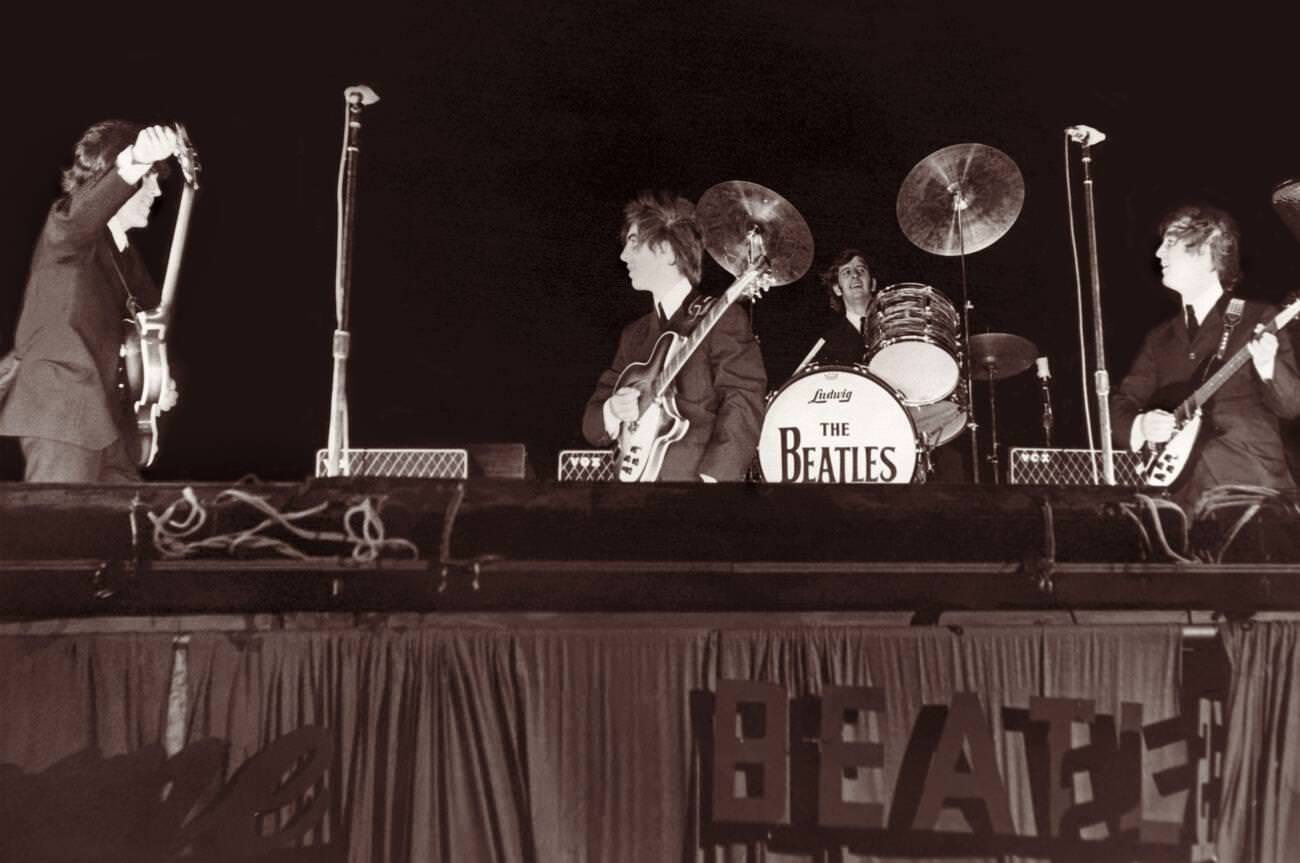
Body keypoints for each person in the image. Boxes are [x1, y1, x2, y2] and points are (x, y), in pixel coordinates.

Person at [0, 121, 180, 481]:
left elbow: (149, 329)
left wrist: (158, 381)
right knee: (56, 533)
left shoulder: (125, 255)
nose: (156, 191)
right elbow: (83, 213)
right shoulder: (67, 235)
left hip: (108, 427)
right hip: (62, 418)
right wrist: (137, 158)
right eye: (148, 179)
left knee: (131, 528)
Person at [1111, 203, 1300, 507]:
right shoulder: (1159, 338)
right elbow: (1123, 402)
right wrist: (1142, 425)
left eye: (1170, 242)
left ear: (1209, 250)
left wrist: (1268, 366)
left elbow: (1291, 405)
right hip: (1177, 501)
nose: (1159, 253)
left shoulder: (1258, 317)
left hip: (1250, 493)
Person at [582, 190, 766, 481]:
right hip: (633, 496)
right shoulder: (634, 335)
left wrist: (715, 479)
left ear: (666, 251)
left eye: (633, 242)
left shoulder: (721, 316)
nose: (623, 255)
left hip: (694, 491)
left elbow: (743, 399)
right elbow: (592, 425)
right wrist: (613, 409)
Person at [812, 248, 875, 366]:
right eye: (846, 272)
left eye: (861, 270)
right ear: (837, 289)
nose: (855, 275)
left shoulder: (895, 325)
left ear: (873, 284)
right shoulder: (829, 345)